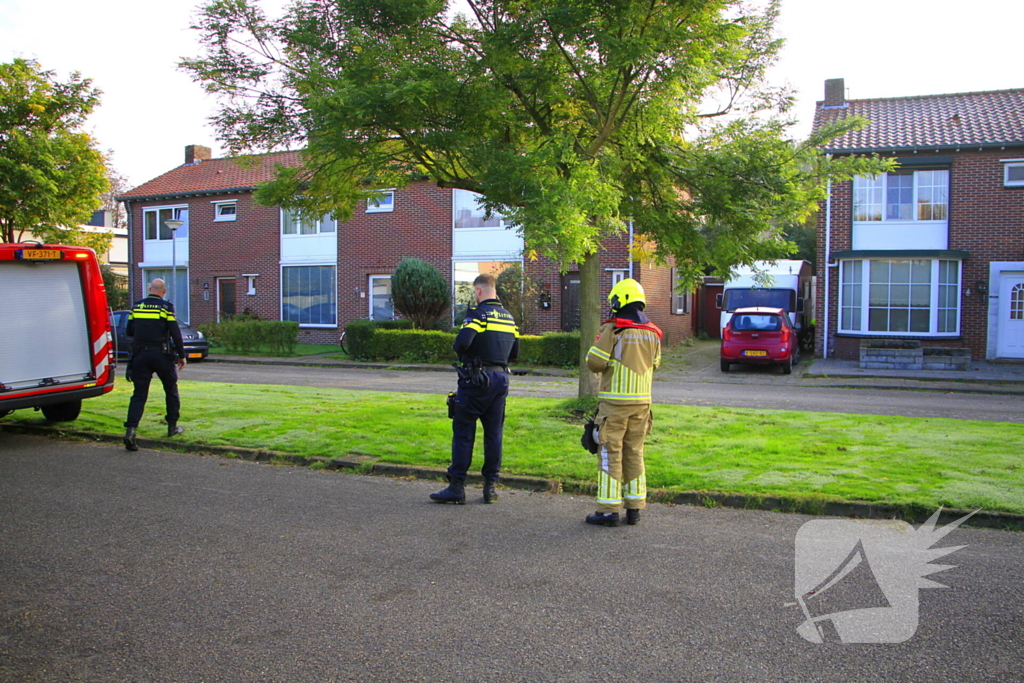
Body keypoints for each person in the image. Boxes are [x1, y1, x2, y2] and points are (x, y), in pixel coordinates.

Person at [431, 273, 520, 505]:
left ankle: (456, 487)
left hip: (476, 380)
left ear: (479, 291)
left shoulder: (478, 315)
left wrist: (468, 357)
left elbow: (460, 343)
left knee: (463, 432)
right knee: (494, 434)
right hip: (501, 378)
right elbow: (515, 353)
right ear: (494, 289)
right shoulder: (509, 318)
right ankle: (490, 488)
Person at [584, 278, 662, 527]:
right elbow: (656, 365)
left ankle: (608, 511)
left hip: (614, 405)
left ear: (619, 300)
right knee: (635, 452)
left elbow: (594, 362)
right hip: (642, 405)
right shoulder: (654, 333)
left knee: (609, 454)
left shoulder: (614, 329)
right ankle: (635, 508)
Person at [122, 278, 187, 451]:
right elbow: (175, 333)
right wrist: (182, 355)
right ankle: (172, 426)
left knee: (139, 394)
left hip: (140, 354)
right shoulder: (165, 307)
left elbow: (129, 331)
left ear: (149, 289)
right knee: (170, 389)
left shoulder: (137, 306)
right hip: (161, 354)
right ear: (163, 291)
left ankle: (131, 430)